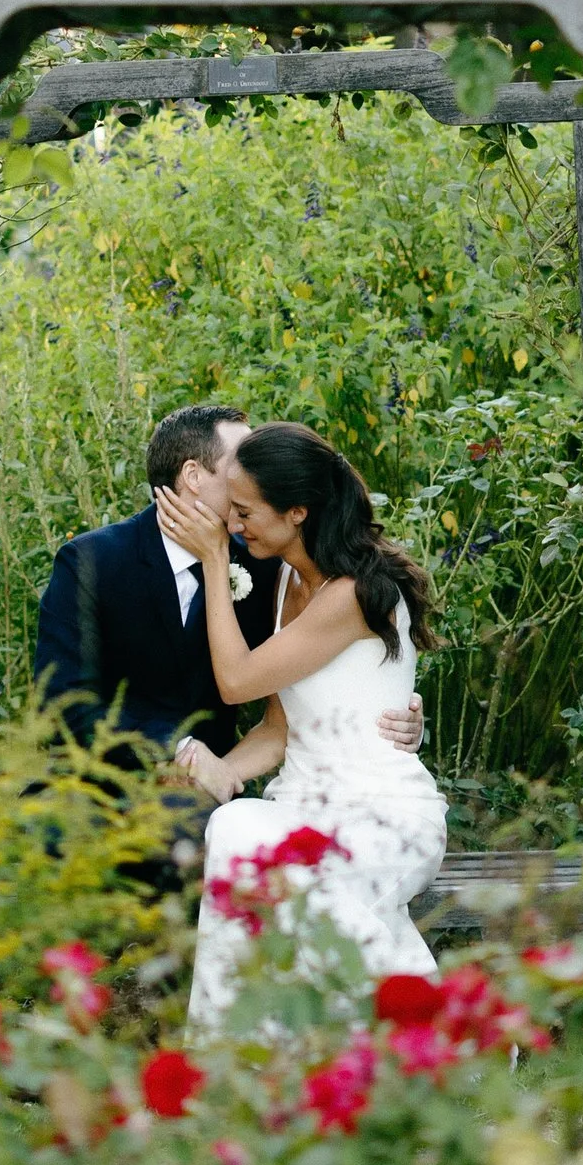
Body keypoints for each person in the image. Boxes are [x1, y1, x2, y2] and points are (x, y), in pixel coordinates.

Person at [159, 418, 448, 1028]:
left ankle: (431, 1028)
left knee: (242, 836)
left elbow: (237, 681)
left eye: (244, 512)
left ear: (296, 512)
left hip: (381, 815)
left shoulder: (352, 594)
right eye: (229, 512)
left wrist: (214, 562)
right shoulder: (289, 575)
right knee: (238, 830)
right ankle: (284, 1067)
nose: (232, 527)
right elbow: (279, 727)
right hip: (306, 804)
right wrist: (217, 769)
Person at [32, 404, 427, 779]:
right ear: (193, 476)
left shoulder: (266, 562)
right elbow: (60, 705)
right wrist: (177, 753)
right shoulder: (92, 561)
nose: (252, 472)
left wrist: (388, 705)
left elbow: (314, 660)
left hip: (205, 795)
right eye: (240, 462)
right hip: (97, 783)